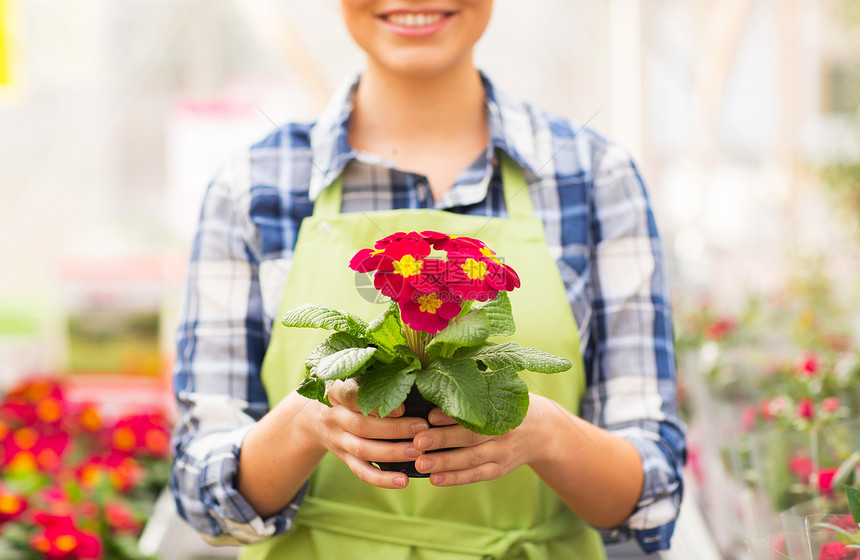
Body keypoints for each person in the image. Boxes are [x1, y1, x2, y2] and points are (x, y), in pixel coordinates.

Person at [169, 1, 686, 558]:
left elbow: (651, 498)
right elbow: (203, 494)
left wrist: (548, 433)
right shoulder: (251, 186)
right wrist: (305, 420)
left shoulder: (596, 178)